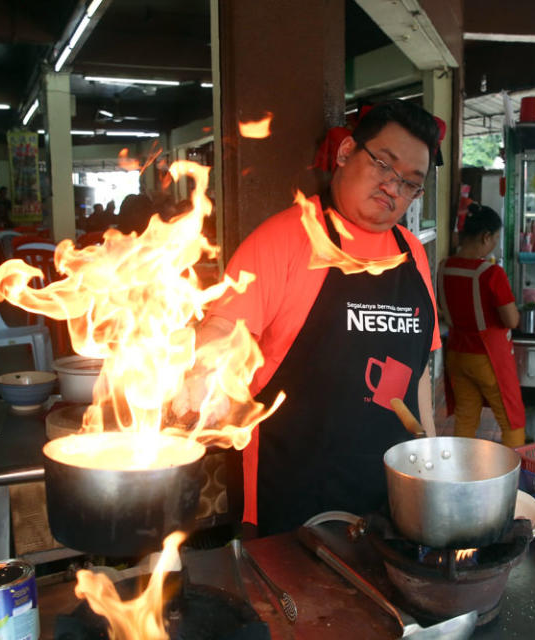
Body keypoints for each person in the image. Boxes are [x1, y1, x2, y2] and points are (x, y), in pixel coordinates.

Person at [174, 100, 442, 536]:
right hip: (293, 491)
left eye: (410, 183)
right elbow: (221, 332)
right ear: (346, 152)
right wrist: (200, 375)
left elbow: (421, 372)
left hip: (389, 494)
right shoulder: (284, 238)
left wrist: (429, 453)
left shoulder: (412, 253)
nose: (393, 188)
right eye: (382, 166)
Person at [439, 203, 526, 448]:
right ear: (485, 236)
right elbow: (511, 320)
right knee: (512, 419)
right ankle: (514, 476)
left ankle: (463, 471)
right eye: (495, 238)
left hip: (456, 354)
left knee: (466, 418)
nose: (494, 244)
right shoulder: (491, 274)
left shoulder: (444, 267)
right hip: (488, 359)